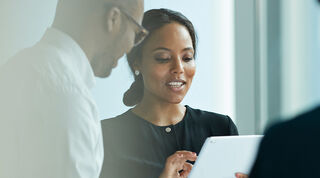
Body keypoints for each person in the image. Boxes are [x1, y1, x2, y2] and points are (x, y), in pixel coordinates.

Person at [0, 0, 146, 177]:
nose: (131, 47)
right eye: (136, 34)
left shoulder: (16, 67)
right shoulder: (68, 97)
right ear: (113, 18)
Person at [100, 8, 238, 178]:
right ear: (137, 62)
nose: (178, 69)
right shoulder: (106, 137)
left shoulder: (221, 128)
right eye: (163, 58)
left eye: (187, 58)